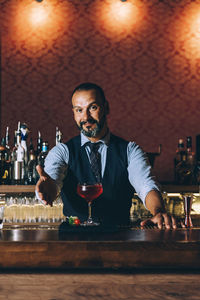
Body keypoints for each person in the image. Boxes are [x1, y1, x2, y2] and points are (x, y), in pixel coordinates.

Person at [36, 82, 179, 229]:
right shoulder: (62, 151)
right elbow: (53, 181)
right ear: (73, 113)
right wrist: (48, 189)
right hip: (73, 242)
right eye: (79, 110)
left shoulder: (130, 150)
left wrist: (158, 211)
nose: (86, 117)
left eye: (92, 107)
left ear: (106, 107)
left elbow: (146, 185)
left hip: (119, 241)